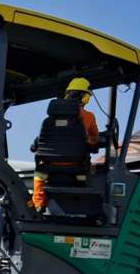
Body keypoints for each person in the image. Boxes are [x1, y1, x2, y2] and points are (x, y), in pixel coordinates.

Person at [31, 77, 100, 211]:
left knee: (39, 172)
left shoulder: (50, 120)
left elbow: (40, 141)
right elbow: (94, 139)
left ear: (67, 93)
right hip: (76, 165)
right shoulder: (88, 116)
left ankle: (38, 203)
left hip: (49, 167)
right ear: (85, 97)